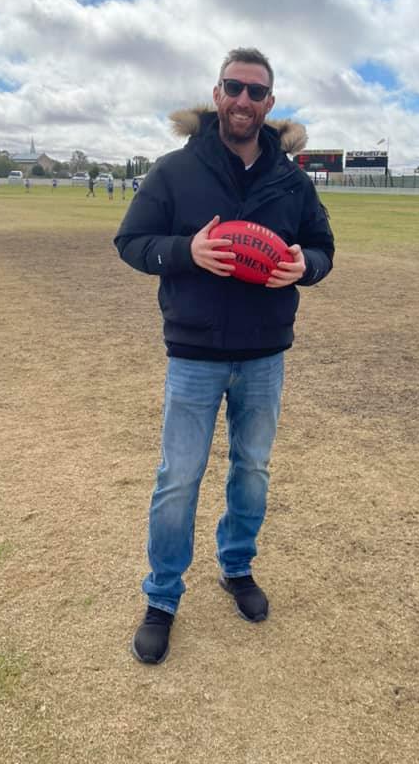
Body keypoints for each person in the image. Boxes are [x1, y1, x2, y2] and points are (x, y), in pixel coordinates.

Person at [114, 47, 334, 664]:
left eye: (256, 92)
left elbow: (322, 247)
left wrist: (303, 266)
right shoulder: (174, 172)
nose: (244, 100)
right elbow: (130, 241)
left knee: (252, 471)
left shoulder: (291, 179)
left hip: (264, 355)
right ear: (217, 94)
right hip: (195, 354)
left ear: (270, 104)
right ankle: (161, 596)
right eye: (234, 88)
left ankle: (236, 567)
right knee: (178, 479)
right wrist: (187, 252)